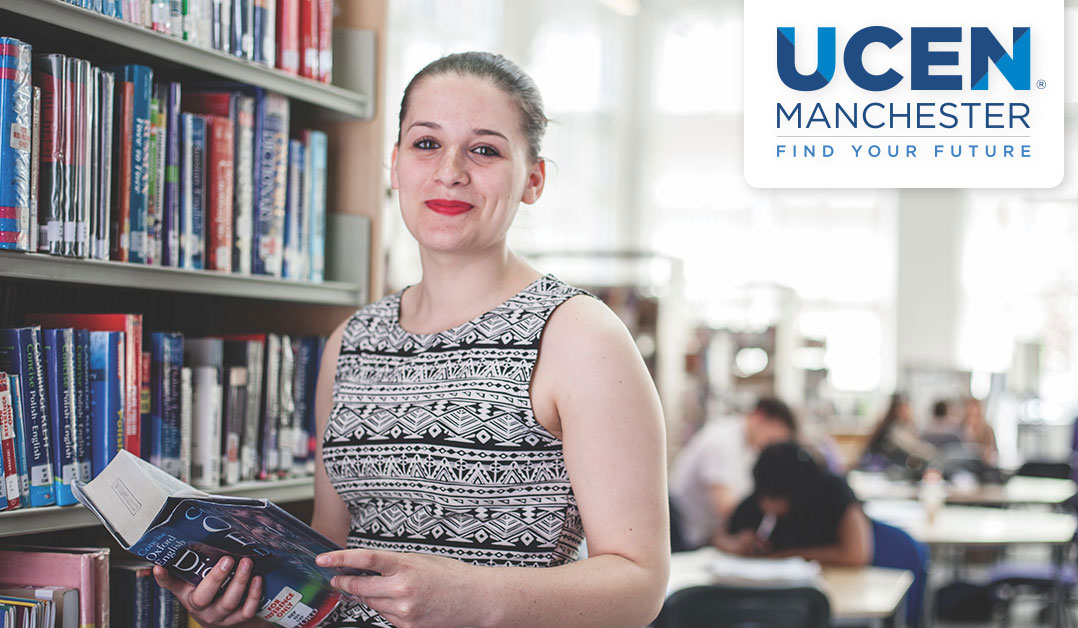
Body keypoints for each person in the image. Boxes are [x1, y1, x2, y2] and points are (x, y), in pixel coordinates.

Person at [154, 52, 670, 628]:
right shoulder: (352, 340)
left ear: (533, 179)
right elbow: (329, 561)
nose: (450, 170)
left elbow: (638, 583)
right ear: (395, 164)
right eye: (426, 144)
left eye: (485, 149)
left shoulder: (580, 335)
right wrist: (244, 607)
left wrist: (470, 597)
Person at [668, 397, 798, 551]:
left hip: (703, 535)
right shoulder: (722, 440)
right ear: (760, 416)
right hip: (682, 533)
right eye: (773, 438)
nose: (772, 446)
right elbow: (726, 508)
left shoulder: (750, 448)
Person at [719, 442, 872, 566]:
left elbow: (857, 554)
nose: (767, 504)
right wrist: (735, 544)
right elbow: (718, 536)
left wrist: (789, 555)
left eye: (775, 499)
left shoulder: (832, 491)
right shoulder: (764, 492)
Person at [864, 392, 937, 474]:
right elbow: (913, 448)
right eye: (905, 408)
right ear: (896, 410)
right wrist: (930, 453)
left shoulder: (904, 427)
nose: (908, 412)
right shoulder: (894, 429)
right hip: (888, 470)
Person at [960, 396, 997, 465]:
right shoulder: (960, 428)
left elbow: (993, 452)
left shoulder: (987, 430)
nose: (973, 420)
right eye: (970, 415)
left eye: (976, 416)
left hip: (981, 466)